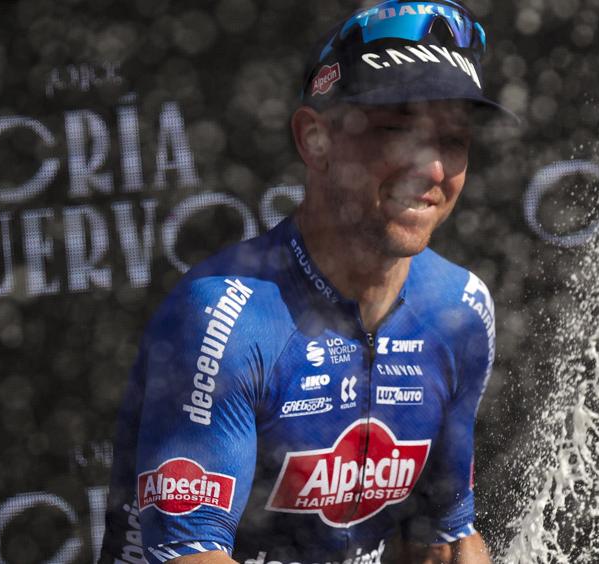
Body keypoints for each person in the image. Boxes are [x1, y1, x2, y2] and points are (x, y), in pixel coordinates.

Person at [100, 1, 512, 562]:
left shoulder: (460, 309)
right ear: (314, 139)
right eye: (397, 131)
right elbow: (187, 557)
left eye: (454, 141)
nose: (433, 169)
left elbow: (441, 542)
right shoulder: (225, 316)